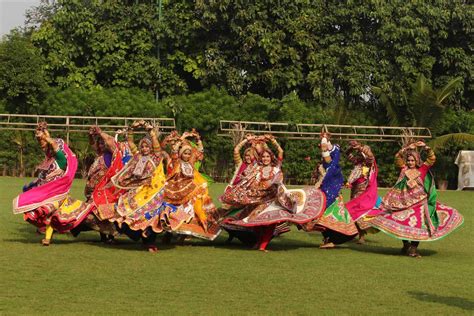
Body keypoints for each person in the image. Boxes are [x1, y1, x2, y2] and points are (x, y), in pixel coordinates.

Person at [220, 135, 325, 252]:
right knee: (256, 222)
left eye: (267, 156)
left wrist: (273, 141)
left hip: (274, 201)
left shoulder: (276, 168)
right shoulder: (257, 168)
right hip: (260, 200)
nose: (265, 158)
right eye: (263, 157)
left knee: (269, 224)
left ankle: (262, 246)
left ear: (271, 157)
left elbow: (280, 155)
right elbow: (249, 180)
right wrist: (251, 142)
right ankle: (258, 243)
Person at [364, 141, 464, 257]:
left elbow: (431, 159)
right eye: (409, 160)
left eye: (412, 160)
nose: (410, 162)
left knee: (418, 225)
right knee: (402, 222)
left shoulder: (422, 169)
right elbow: (397, 157)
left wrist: (426, 148)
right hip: (403, 202)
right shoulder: (404, 169)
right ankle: (406, 245)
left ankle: (413, 249)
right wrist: (406, 148)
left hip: (419, 202)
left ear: (417, 161)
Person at [13, 122, 92, 245]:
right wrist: (43, 132)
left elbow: (54, 144)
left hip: (56, 194)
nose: (45, 148)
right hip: (46, 192)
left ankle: (47, 238)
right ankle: (47, 233)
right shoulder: (49, 160)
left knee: (48, 213)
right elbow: (46, 149)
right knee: (40, 214)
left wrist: (45, 137)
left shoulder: (60, 159)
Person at [109, 120, 168, 252]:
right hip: (137, 191)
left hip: (152, 194)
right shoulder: (137, 156)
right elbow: (130, 142)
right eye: (142, 146)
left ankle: (149, 243)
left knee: (150, 218)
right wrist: (131, 129)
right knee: (125, 215)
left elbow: (156, 145)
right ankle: (137, 236)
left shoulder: (156, 157)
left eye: (147, 146)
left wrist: (150, 130)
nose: (144, 149)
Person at [160, 130, 221, 241]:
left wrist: (198, 140)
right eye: (185, 153)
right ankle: (168, 234)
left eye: (189, 153)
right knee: (174, 213)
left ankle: (184, 235)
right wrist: (182, 138)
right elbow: (173, 150)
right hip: (177, 192)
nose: (187, 155)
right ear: (180, 154)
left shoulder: (191, 163)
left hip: (190, 194)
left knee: (190, 213)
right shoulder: (177, 161)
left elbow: (200, 151)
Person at [344, 141, 379, 244]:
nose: (361, 155)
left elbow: (370, 156)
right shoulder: (358, 162)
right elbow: (347, 154)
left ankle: (361, 236)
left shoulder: (369, 163)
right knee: (354, 211)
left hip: (363, 190)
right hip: (355, 189)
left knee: (360, 212)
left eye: (362, 152)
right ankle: (355, 234)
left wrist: (360, 147)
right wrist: (352, 147)